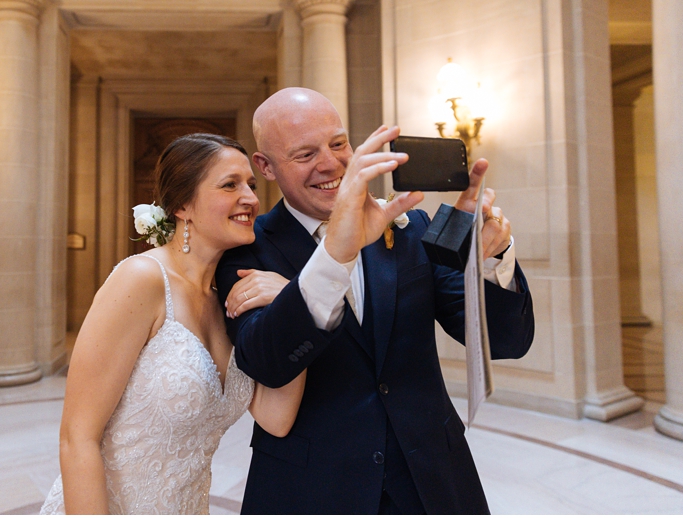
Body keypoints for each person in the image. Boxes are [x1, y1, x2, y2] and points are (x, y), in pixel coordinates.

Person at [215, 88, 535, 514]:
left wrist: (494, 258)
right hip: (312, 489)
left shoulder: (411, 227)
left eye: (338, 144)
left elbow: (507, 341)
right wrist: (332, 261)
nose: (329, 163)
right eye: (304, 154)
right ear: (266, 166)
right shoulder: (246, 250)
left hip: (432, 480)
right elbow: (267, 364)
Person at [40, 133, 306, 515]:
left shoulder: (231, 299)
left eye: (250, 184)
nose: (250, 197)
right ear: (183, 204)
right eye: (230, 185)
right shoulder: (141, 279)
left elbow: (275, 418)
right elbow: (77, 437)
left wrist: (292, 307)